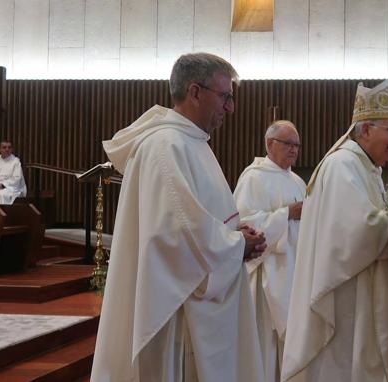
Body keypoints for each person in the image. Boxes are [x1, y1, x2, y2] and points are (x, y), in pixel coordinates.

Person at [91, 53, 266, 382]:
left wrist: (232, 233)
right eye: (225, 96)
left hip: (195, 301)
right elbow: (172, 234)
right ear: (195, 92)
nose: (230, 107)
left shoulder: (190, 141)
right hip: (177, 314)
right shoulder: (166, 144)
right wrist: (234, 243)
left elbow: (194, 219)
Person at [281, 80, 388, 382]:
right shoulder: (343, 165)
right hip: (348, 297)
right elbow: (358, 231)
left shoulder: (366, 168)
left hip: (364, 287)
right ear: (365, 130)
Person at [233, 120, 306, 382]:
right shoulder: (253, 177)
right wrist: (287, 213)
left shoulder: (297, 181)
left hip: (295, 272)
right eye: (288, 144)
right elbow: (245, 226)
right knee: (266, 347)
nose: (294, 150)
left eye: (297, 145)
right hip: (268, 276)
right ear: (269, 144)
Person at [0, 140, 27, 204]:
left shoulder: (16, 161)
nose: (7, 149)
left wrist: (2, 185)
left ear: (12, 149)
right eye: (4, 147)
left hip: (11, 188)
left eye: (9, 147)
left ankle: (4, 213)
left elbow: (16, 179)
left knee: (2, 194)